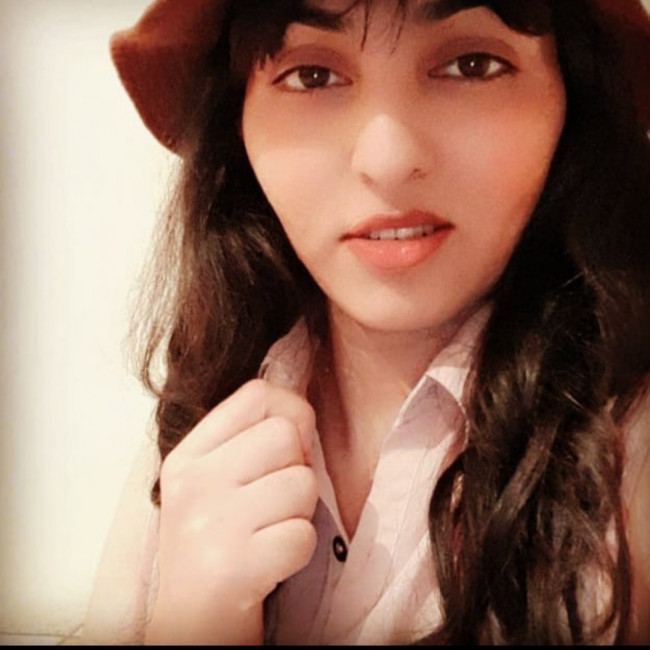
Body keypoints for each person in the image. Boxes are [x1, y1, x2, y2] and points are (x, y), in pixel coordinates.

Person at [82, 0, 650, 645]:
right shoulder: (201, 425)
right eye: (312, 76)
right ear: (235, 121)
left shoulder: (629, 460)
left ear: (572, 98)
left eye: (470, 65)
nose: (387, 159)